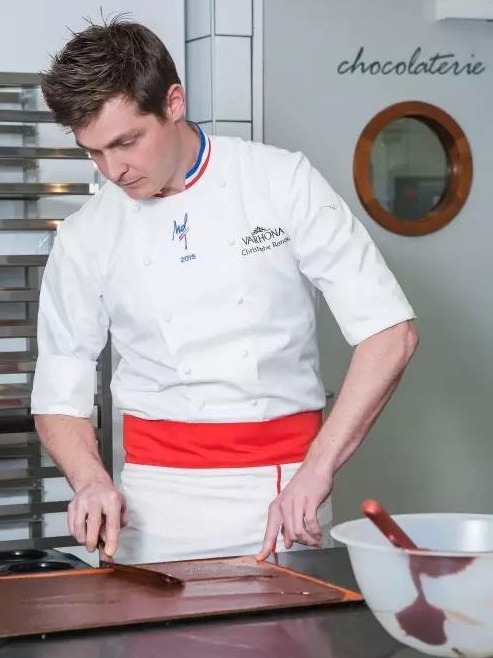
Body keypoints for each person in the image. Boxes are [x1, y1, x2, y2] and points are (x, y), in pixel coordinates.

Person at [31, 17, 418, 565]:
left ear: (174, 102)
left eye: (126, 142)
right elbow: (59, 384)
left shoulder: (280, 182)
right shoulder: (85, 235)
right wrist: (90, 479)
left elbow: (390, 332)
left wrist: (317, 469)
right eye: (93, 152)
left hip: (281, 496)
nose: (113, 170)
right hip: (150, 508)